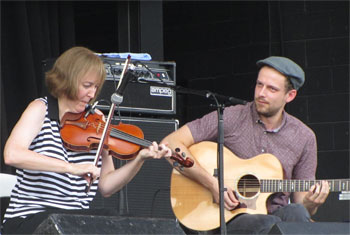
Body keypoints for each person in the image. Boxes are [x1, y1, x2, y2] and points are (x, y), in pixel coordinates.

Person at [2, 46, 172, 234]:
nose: (92, 94)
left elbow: (107, 186)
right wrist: (71, 167)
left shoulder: (97, 119)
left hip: (73, 221)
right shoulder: (40, 109)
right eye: (87, 86)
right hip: (30, 217)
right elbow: (12, 155)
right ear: (67, 80)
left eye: (96, 87)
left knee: (119, 222)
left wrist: (139, 159)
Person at [161, 56, 330, 234]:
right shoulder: (231, 117)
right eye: (259, 85)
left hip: (276, 215)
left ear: (290, 95)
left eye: (271, 89)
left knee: (296, 213)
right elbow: (170, 144)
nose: (261, 93)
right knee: (268, 224)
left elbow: (301, 204)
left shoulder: (304, 137)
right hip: (231, 216)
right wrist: (212, 184)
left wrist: (310, 204)